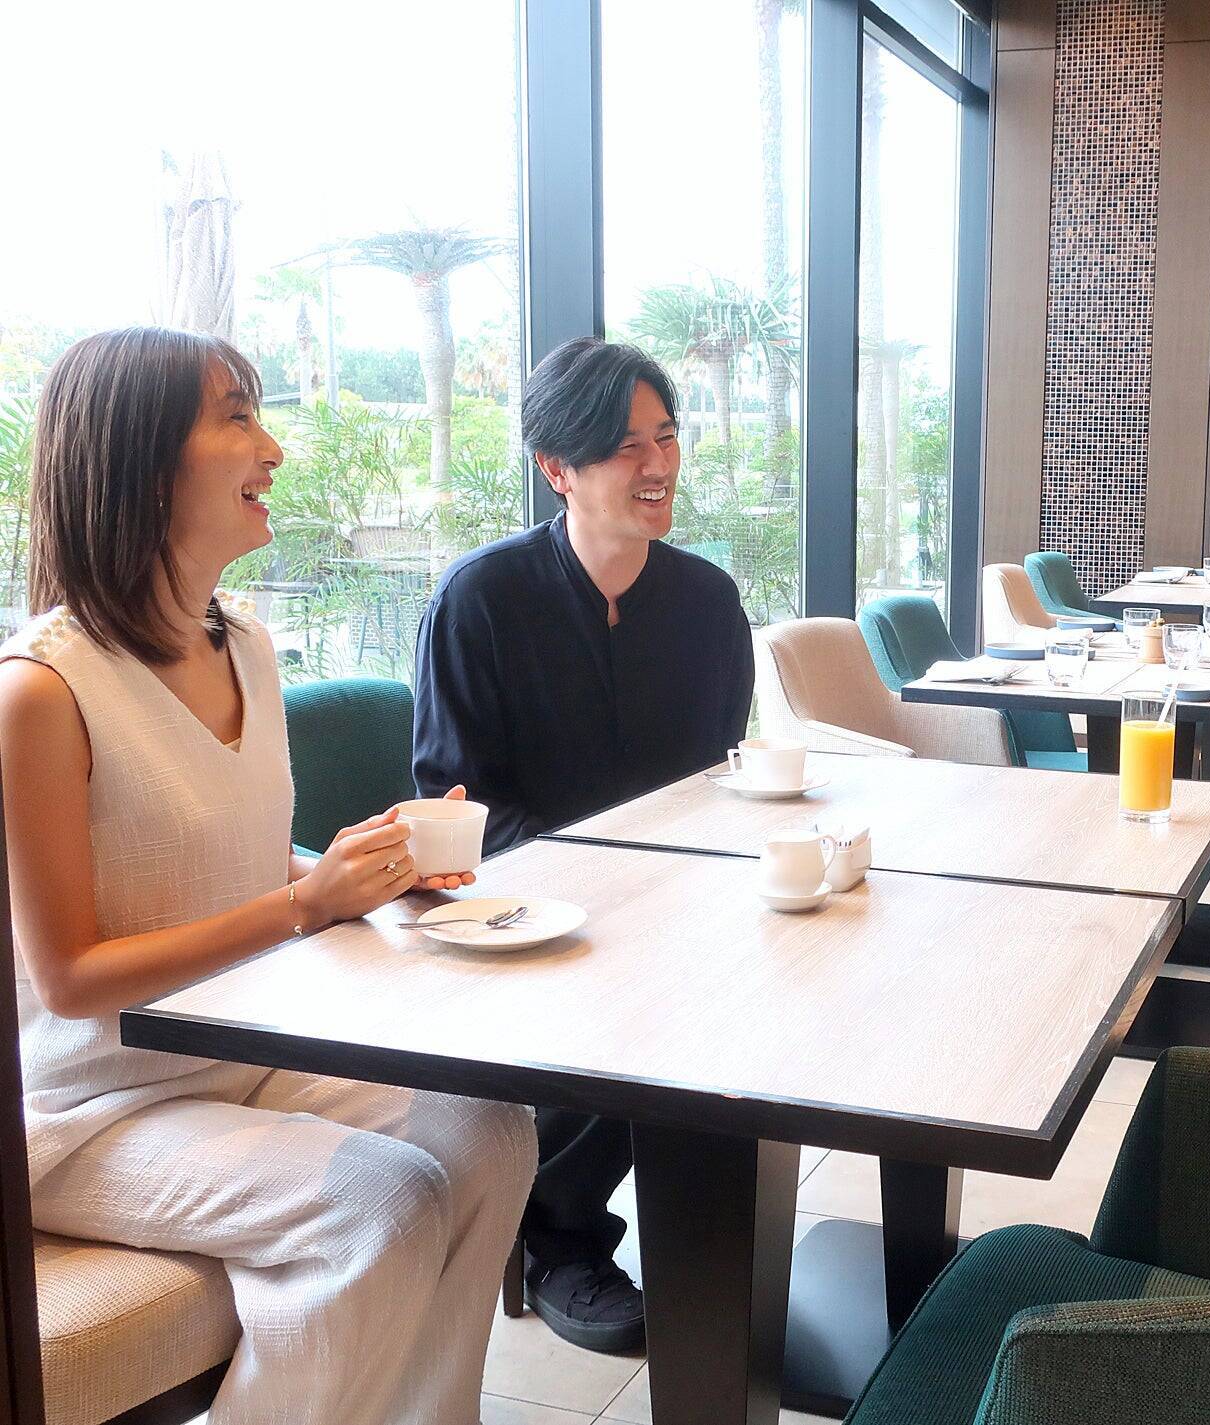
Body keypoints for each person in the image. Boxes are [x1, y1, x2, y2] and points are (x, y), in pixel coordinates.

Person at [0, 327, 535, 1424]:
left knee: (491, 1129)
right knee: (380, 1203)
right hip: (91, 1111)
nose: (273, 448)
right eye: (237, 416)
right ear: (141, 459)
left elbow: (233, 868)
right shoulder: (42, 693)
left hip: (242, 1061)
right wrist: (304, 904)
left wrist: (366, 873)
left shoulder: (244, 641)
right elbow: (71, 979)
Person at [412, 336, 753, 1352]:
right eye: (624, 447)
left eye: (667, 437)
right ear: (557, 469)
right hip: (514, 907)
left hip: (674, 904)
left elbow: (717, 781)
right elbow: (455, 805)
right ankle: (556, 1236)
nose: (657, 465)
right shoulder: (480, 599)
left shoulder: (707, 604)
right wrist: (610, 882)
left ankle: (718, 1236)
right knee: (647, 982)